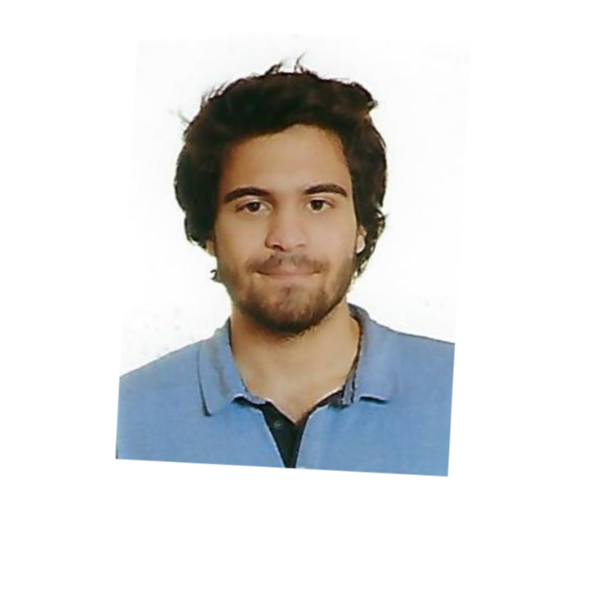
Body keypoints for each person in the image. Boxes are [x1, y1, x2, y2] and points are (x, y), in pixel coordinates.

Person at [117, 61, 454, 475]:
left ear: (362, 227)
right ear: (209, 233)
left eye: (318, 204)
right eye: (253, 206)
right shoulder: (125, 420)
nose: (287, 237)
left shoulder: (458, 393)